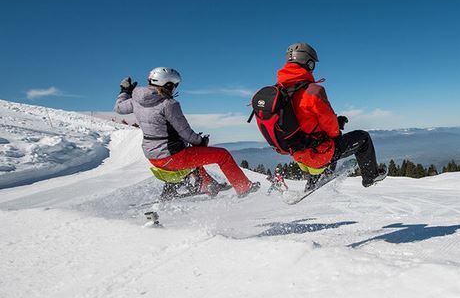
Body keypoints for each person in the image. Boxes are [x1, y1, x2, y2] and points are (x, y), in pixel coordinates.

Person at [114, 67, 259, 197]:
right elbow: (185, 133)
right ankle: (244, 187)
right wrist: (201, 141)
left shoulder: (136, 101)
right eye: (175, 85)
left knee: (192, 152)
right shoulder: (169, 104)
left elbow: (119, 108)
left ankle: (209, 185)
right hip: (171, 157)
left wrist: (125, 91)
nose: (175, 89)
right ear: (168, 84)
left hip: (152, 156)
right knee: (223, 155)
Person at [276, 43, 386, 189]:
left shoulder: (279, 94)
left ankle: (313, 180)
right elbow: (331, 129)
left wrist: (335, 122)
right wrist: (336, 126)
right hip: (319, 156)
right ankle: (370, 177)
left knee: (324, 141)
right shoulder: (313, 91)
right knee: (363, 138)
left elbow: (304, 123)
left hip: (299, 156)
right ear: (308, 63)